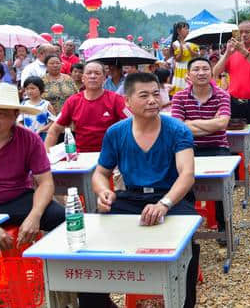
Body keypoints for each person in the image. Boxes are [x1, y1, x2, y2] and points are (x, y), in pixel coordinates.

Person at [82, 72, 199, 308]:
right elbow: (101, 173)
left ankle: (184, 302)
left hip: (170, 198)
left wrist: (164, 204)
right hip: (130, 197)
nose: (152, 100)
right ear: (127, 102)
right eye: (143, 95)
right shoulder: (116, 132)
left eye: (156, 94)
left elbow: (187, 174)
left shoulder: (177, 129)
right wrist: (103, 192)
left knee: (187, 245)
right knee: (89, 252)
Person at [0, 83, 65, 253]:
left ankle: (52, 268)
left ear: (15, 115)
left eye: (1, 114)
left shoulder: (29, 139)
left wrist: (35, 216)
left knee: (61, 217)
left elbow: (45, 182)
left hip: (18, 198)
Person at [171, 57, 231, 244]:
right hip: (188, 148)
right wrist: (209, 124)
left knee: (222, 189)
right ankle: (186, 226)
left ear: (211, 72)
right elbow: (178, 128)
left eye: (205, 68)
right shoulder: (180, 97)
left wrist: (190, 124)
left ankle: (223, 227)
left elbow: (222, 124)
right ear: (188, 75)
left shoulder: (222, 95)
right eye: (196, 69)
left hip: (217, 146)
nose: (201, 72)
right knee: (181, 185)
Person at [213, 20, 250, 188]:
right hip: (234, 101)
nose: (244, 35)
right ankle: (236, 177)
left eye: (247, 32)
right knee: (232, 139)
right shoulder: (231, 52)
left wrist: (243, 52)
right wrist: (227, 53)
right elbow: (216, 72)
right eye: (240, 32)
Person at [45, 62, 128, 153]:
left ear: (104, 78)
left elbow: (134, 122)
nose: (93, 76)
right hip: (82, 156)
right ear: (83, 78)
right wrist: (46, 158)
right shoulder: (73, 101)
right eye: (89, 73)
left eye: (97, 73)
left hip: (111, 154)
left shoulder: (116, 99)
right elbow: (54, 130)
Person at [170, 21, 200, 95]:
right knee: (181, 90)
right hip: (180, 68)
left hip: (191, 67)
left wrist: (189, 49)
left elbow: (198, 56)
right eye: (185, 28)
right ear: (179, 31)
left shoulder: (193, 42)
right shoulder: (175, 44)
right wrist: (181, 46)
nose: (187, 30)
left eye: (188, 28)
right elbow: (178, 59)